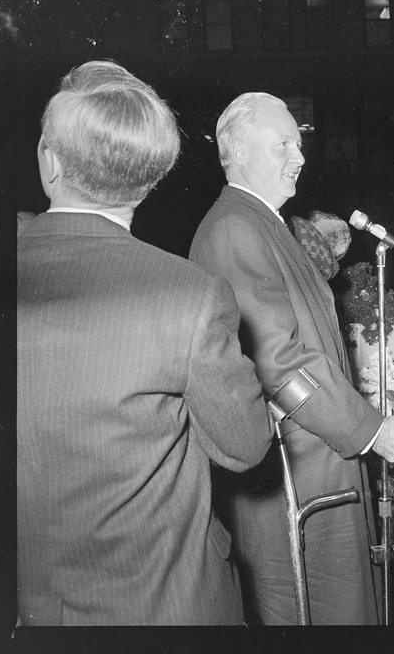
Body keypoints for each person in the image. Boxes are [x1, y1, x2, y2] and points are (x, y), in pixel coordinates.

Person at [17, 61, 273, 626]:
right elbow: (247, 446)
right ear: (149, 177)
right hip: (164, 603)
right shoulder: (191, 295)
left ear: (50, 160)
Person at [189, 92, 394, 625]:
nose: (299, 156)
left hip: (318, 463)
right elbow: (277, 362)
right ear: (234, 151)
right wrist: (371, 430)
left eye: (299, 144)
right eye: (283, 143)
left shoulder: (266, 224)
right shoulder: (236, 227)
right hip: (295, 475)